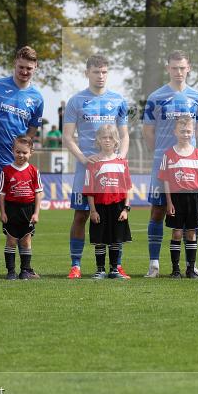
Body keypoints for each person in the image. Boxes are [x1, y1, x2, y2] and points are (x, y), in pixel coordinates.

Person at [0, 46, 45, 278]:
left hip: (14, 166)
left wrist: (23, 149)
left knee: (19, 216)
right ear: (15, 63)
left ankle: (23, 268)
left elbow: (33, 128)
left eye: (29, 69)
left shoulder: (37, 98)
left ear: (36, 68)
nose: (25, 72)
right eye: (21, 67)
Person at [63, 55, 130, 279]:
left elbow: (124, 134)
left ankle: (116, 266)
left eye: (104, 72)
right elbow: (67, 136)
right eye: (96, 72)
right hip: (87, 169)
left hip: (112, 171)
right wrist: (82, 158)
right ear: (87, 73)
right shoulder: (76, 101)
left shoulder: (118, 100)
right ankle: (76, 265)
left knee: (114, 216)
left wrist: (120, 158)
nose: (100, 76)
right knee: (81, 215)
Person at [142, 50, 198, 278]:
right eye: (174, 67)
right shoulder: (156, 97)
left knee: (192, 212)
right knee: (158, 211)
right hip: (163, 162)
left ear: (188, 68)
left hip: (189, 166)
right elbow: (148, 131)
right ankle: (154, 263)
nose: (178, 72)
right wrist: (160, 152)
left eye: (182, 67)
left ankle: (191, 265)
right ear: (167, 67)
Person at [160, 117, 198, 278]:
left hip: (194, 198)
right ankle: (175, 270)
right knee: (177, 233)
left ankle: (190, 269)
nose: (185, 134)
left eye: (188, 131)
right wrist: (169, 202)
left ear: (193, 132)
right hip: (176, 199)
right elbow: (166, 180)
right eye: (182, 131)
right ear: (175, 132)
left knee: (191, 233)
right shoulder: (168, 154)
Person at [84, 125, 132, 280]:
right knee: (100, 239)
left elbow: (128, 188)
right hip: (100, 206)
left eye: (110, 137)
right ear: (98, 140)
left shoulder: (121, 162)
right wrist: (93, 211)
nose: (107, 140)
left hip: (118, 207)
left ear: (116, 140)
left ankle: (114, 270)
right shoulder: (93, 162)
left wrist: (126, 209)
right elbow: (89, 190)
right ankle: (100, 270)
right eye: (104, 137)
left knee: (116, 239)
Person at [0, 135, 43, 279]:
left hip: (28, 210)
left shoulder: (34, 171)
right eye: (18, 152)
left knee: (26, 240)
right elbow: (2, 194)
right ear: (13, 151)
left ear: (31, 152)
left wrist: (36, 213)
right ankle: (11, 271)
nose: (21, 155)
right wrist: (3, 212)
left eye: (24, 152)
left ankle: (25, 271)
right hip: (11, 209)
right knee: (11, 240)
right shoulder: (6, 171)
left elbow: (38, 193)